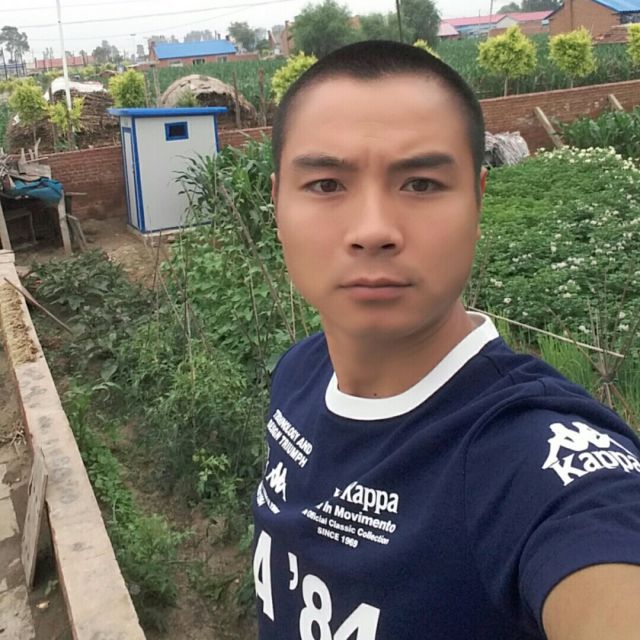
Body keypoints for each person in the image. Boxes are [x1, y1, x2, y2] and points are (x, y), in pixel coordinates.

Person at [251, 40, 640, 640]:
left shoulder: (525, 462)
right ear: (277, 203)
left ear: (478, 200)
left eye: (421, 184)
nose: (373, 230)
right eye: (326, 184)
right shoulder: (299, 374)